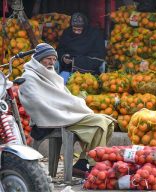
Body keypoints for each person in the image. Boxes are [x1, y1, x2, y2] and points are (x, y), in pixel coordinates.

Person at [18, 43, 115, 178]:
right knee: (100, 122)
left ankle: (83, 162)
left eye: (53, 59)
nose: (52, 62)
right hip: (53, 119)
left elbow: (64, 97)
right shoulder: (29, 77)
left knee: (108, 122)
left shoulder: (51, 74)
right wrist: (65, 110)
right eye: (48, 59)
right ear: (39, 58)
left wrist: (71, 107)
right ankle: (93, 166)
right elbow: (37, 104)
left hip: (64, 115)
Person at [57, 12, 106, 84]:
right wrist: (64, 57)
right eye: (74, 29)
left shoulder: (94, 35)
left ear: (85, 27)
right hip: (68, 70)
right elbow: (60, 50)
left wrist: (75, 61)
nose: (76, 32)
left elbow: (98, 58)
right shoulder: (67, 33)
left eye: (79, 30)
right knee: (60, 84)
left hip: (88, 74)